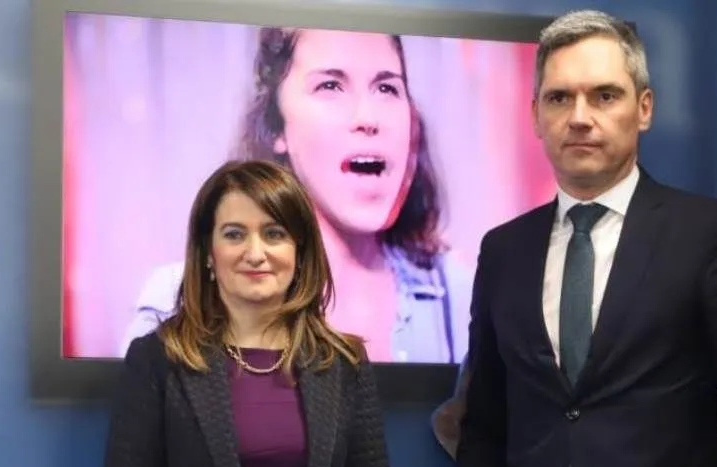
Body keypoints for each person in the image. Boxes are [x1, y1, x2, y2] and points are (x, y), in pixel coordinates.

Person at [455, 10, 717, 467]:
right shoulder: (503, 249)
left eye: (604, 95)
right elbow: (484, 419)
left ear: (643, 108)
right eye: (559, 97)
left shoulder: (710, 236)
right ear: (534, 116)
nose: (579, 116)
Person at [118, 27, 473, 365]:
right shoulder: (179, 301)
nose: (368, 117)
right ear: (277, 125)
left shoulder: (462, 296)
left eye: (386, 88)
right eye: (331, 85)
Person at [101, 159, 395, 467]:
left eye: (274, 234)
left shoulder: (343, 365)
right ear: (208, 253)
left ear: (299, 251)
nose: (255, 253)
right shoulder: (158, 361)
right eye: (235, 234)